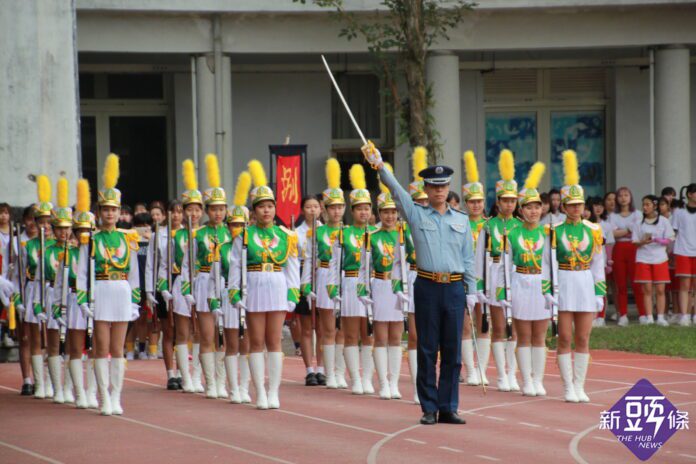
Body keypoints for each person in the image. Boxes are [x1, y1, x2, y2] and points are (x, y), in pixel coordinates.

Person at [362, 141, 476, 426]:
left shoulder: (462, 220)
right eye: (434, 186)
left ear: (449, 188)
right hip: (426, 286)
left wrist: (472, 292)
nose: (439, 191)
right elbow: (397, 192)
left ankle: (448, 406)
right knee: (426, 348)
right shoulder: (416, 213)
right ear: (426, 189)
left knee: (452, 350)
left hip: (453, 287)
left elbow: (469, 258)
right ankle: (428, 407)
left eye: (444, 186)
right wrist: (379, 165)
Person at [228, 160, 300, 410]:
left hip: (277, 284)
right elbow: (236, 265)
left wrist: (293, 292)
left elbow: (292, 266)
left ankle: (274, 391)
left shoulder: (285, 235)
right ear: (254, 210)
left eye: (270, 206)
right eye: (261, 207)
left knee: (275, 340)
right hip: (255, 285)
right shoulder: (245, 235)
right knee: (256, 339)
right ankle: (259, 391)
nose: (266, 211)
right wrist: (235, 291)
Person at [77, 154, 141, 416]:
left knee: (118, 348)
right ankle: (103, 395)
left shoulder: (129, 239)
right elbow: (82, 272)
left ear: (119, 212)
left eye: (114, 210)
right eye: (106, 210)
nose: (111, 214)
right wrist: (83, 300)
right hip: (100, 291)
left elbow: (135, 273)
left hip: (121, 291)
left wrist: (136, 300)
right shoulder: (90, 240)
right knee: (100, 347)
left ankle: (116, 395)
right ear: (99, 212)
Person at [554, 150, 606, 403]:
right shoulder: (552, 231)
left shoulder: (594, 230)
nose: (576, 209)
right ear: (563, 206)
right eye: (571, 205)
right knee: (564, 336)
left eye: (579, 205)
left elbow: (599, 264)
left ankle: (580, 384)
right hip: (564, 281)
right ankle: (567, 387)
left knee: (583, 336)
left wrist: (599, 293)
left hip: (585, 281)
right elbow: (547, 264)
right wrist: (548, 290)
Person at [180, 154, 231, 399]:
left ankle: (222, 381)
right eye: (214, 209)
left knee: (226, 335)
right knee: (207, 335)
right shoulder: (197, 234)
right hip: (202, 283)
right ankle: (210, 382)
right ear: (207, 210)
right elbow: (187, 266)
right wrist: (187, 290)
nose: (218, 213)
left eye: (222, 208)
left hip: (226, 285)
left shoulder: (234, 234)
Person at [497, 163, 550, 397]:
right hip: (520, 282)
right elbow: (503, 268)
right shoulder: (512, 234)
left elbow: (553, 266)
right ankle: (526, 379)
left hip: (541, 284)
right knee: (523, 334)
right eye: (528, 208)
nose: (533, 211)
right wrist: (503, 294)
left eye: (537, 207)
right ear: (521, 210)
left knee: (540, 334)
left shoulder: (549, 234)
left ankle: (538, 379)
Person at [475, 149, 522, 393]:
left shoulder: (522, 226)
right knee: (500, 326)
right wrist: (479, 286)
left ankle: (513, 372)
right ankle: (502, 373)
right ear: (498, 202)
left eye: (513, 200)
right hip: (494, 275)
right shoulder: (488, 226)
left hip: (517, 277)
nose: (509, 204)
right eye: (505, 200)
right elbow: (478, 260)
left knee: (516, 326)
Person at [328, 164, 376, 396]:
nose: (363, 213)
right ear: (352, 211)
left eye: (367, 208)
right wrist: (332, 288)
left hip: (372, 284)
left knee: (369, 333)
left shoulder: (376, 233)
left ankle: (367, 377)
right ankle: (354, 378)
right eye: (359, 209)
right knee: (350, 333)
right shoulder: (343, 234)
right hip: (349, 282)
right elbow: (334, 265)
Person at [302, 158, 347, 389]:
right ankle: (329, 373)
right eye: (332, 207)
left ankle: (340, 372)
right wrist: (306, 286)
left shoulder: (349, 231)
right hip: (324, 279)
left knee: (343, 330)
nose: (337, 211)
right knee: (328, 329)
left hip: (346, 282)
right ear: (325, 209)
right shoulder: (317, 233)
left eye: (340, 207)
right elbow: (310, 261)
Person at [161, 159, 205, 394]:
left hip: (205, 283)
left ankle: (196, 374)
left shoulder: (208, 232)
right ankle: (183, 375)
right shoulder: (175, 236)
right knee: (183, 331)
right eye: (190, 209)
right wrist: (164, 287)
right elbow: (165, 266)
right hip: (182, 284)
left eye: (198, 209)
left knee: (201, 332)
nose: (194, 213)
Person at [364, 164, 405, 400]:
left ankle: (394, 382)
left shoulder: (403, 235)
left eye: (393, 211)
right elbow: (363, 268)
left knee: (396, 336)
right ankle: (383, 382)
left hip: (399, 288)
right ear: (379, 213)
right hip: (379, 285)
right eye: (385, 212)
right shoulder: (372, 236)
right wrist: (363, 289)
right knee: (380, 336)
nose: (390, 216)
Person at [58, 179, 94, 409]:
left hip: (96, 302)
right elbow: (60, 284)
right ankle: (75, 390)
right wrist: (56, 309)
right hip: (74, 301)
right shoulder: (67, 254)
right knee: (75, 347)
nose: (83, 235)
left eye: (87, 231)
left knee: (96, 348)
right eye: (79, 231)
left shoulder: (97, 250)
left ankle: (91, 391)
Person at [22, 175, 56, 399]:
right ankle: (39, 383)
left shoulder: (59, 245)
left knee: (52, 338)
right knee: (35, 338)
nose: (44, 226)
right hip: (35, 290)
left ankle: (53, 383)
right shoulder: (28, 245)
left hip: (53, 291)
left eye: (47, 222)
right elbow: (21, 274)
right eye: (40, 221)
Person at [41, 176, 75, 404]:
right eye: (59, 229)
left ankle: (69, 387)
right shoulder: (46, 250)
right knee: (54, 343)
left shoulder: (77, 249)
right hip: (53, 296)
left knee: (73, 344)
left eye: (67, 229)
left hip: (73, 298)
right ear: (53, 229)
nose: (63, 233)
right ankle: (56, 386)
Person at [219, 171, 252, 403]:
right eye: (233, 225)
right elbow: (215, 277)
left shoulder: (253, 244)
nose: (237, 229)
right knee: (231, 342)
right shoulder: (221, 248)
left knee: (247, 343)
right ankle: (233, 388)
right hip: (230, 296)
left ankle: (244, 386)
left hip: (250, 296)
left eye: (241, 225)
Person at [146, 201, 183, 389]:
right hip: (164, 283)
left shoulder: (189, 233)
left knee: (183, 331)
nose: (176, 216)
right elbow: (151, 264)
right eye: (172, 212)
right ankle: (171, 374)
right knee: (168, 331)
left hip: (183, 283)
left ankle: (184, 372)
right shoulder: (158, 235)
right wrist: (149, 291)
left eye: (179, 212)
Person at [460, 151, 490, 387]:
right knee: (464, 324)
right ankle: (469, 369)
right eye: (471, 202)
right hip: (462, 279)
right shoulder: (459, 223)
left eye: (479, 201)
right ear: (465, 203)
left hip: (487, 280)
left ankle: (482, 369)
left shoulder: (490, 226)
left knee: (484, 322)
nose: (476, 205)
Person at [295, 195, 325, 386]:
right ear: (302, 210)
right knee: (306, 327)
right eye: (308, 207)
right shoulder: (296, 233)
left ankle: (321, 368)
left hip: (323, 275)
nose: (312, 210)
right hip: (303, 275)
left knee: (322, 328)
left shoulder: (326, 231)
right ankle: (309, 370)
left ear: (321, 209)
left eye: (316, 206)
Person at [632, 195, 675, 326]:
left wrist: (660, 240)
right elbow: (634, 242)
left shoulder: (663, 221)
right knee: (647, 289)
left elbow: (670, 238)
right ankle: (649, 316)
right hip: (643, 258)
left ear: (655, 206)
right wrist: (643, 242)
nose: (645, 207)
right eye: (643, 205)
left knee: (661, 289)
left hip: (660, 258)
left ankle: (661, 317)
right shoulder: (639, 223)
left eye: (648, 204)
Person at [609, 187, 645, 326]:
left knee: (637, 283)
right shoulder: (613, 216)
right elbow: (613, 234)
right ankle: (623, 314)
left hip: (634, 248)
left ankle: (642, 314)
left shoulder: (638, 214)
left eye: (626, 195)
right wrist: (629, 229)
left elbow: (638, 232)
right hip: (618, 249)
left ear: (630, 197)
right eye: (620, 195)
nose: (623, 198)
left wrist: (622, 231)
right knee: (620, 284)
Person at [671, 183, 696, 326]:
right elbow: (673, 232)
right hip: (683, 251)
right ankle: (684, 315)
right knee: (684, 285)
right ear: (689, 194)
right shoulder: (679, 212)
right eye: (694, 192)